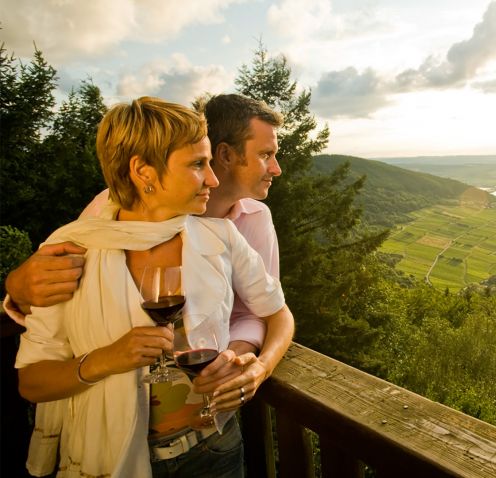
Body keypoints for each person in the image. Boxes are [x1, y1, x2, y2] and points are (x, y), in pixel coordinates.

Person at [15, 97, 290, 477]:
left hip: (214, 449)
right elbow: (31, 381)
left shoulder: (221, 235)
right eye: (198, 164)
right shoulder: (76, 248)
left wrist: (256, 368)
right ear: (143, 171)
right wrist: (105, 359)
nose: (212, 179)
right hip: (110, 458)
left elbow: (275, 312)